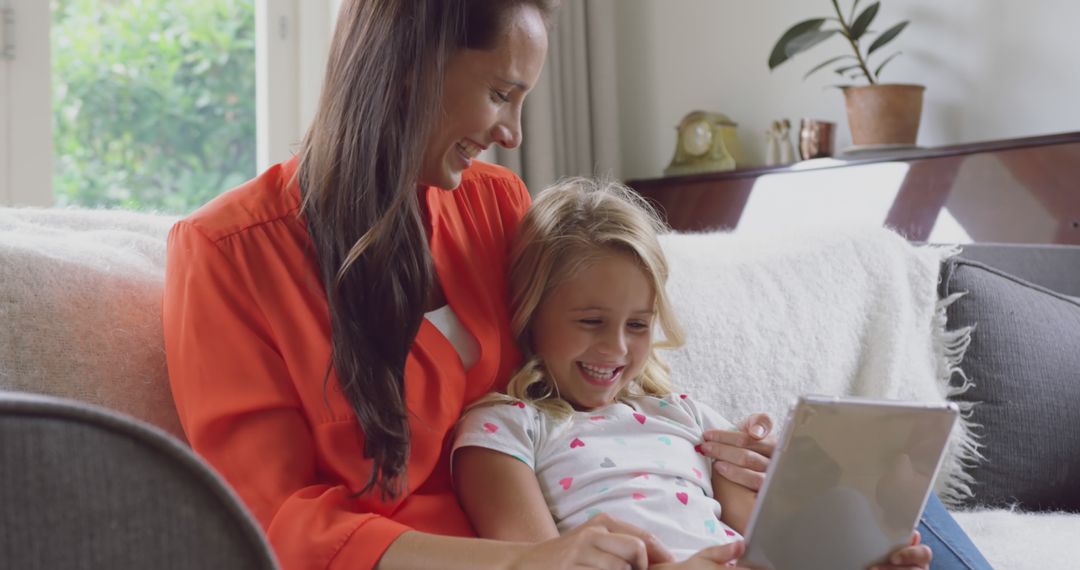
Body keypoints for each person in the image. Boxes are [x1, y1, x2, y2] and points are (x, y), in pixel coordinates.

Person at [161, 0, 989, 568]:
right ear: (407, 67)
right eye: (500, 93)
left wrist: (720, 460)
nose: (514, 133)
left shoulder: (492, 209)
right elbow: (272, 524)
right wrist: (527, 560)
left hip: (596, 545)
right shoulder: (227, 255)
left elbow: (584, 380)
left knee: (895, 526)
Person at [451, 178, 936, 569]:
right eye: (591, 322)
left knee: (873, 510)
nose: (616, 347)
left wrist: (849, 558)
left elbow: (765, 541)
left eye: (637, 325)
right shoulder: (504, 429)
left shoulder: (682, 415)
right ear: (532, 312)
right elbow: (534, 563)